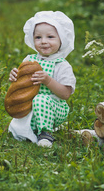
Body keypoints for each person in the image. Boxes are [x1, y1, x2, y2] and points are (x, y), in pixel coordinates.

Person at [8, 11, 76, 147]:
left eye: (50, 37)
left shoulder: (62, 65)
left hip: (55, 108)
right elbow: (23, 85)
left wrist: (48, 81)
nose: (43, 41)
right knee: (29, 104)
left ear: (61, 39)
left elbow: (65, 94)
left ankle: (46, 133)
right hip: (32, 106)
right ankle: (29, 129)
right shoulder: (29, 60)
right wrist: (15, 77)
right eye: (38, 37)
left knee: (40, 99)